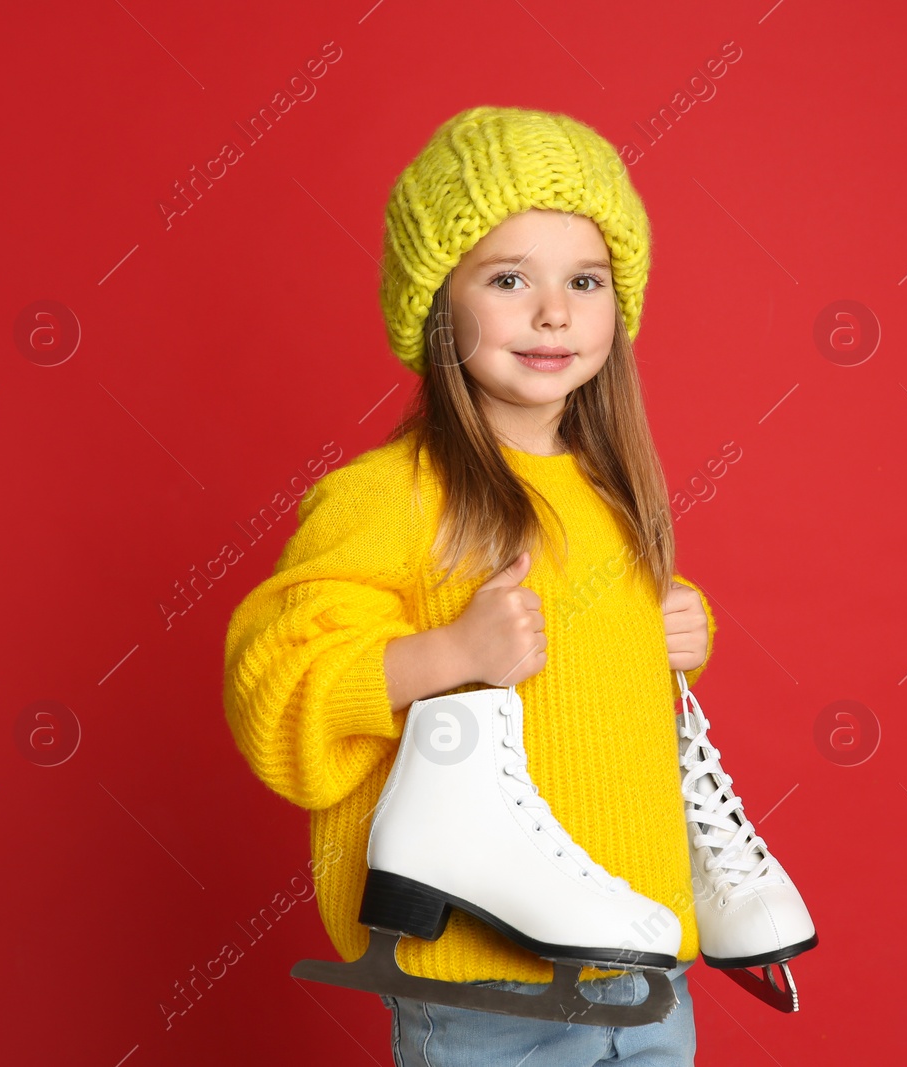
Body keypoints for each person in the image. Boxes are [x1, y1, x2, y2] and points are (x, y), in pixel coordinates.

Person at [222, 104, 717, 1066]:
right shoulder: (391, 497)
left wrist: (685, 625)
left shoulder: (613, 498)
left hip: (648, 974)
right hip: (488, 994)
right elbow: (275, 687)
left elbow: (596, 704)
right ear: (436, 303)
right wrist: (449, 653)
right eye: (507, 278)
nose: (553, 311)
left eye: (584, 279)